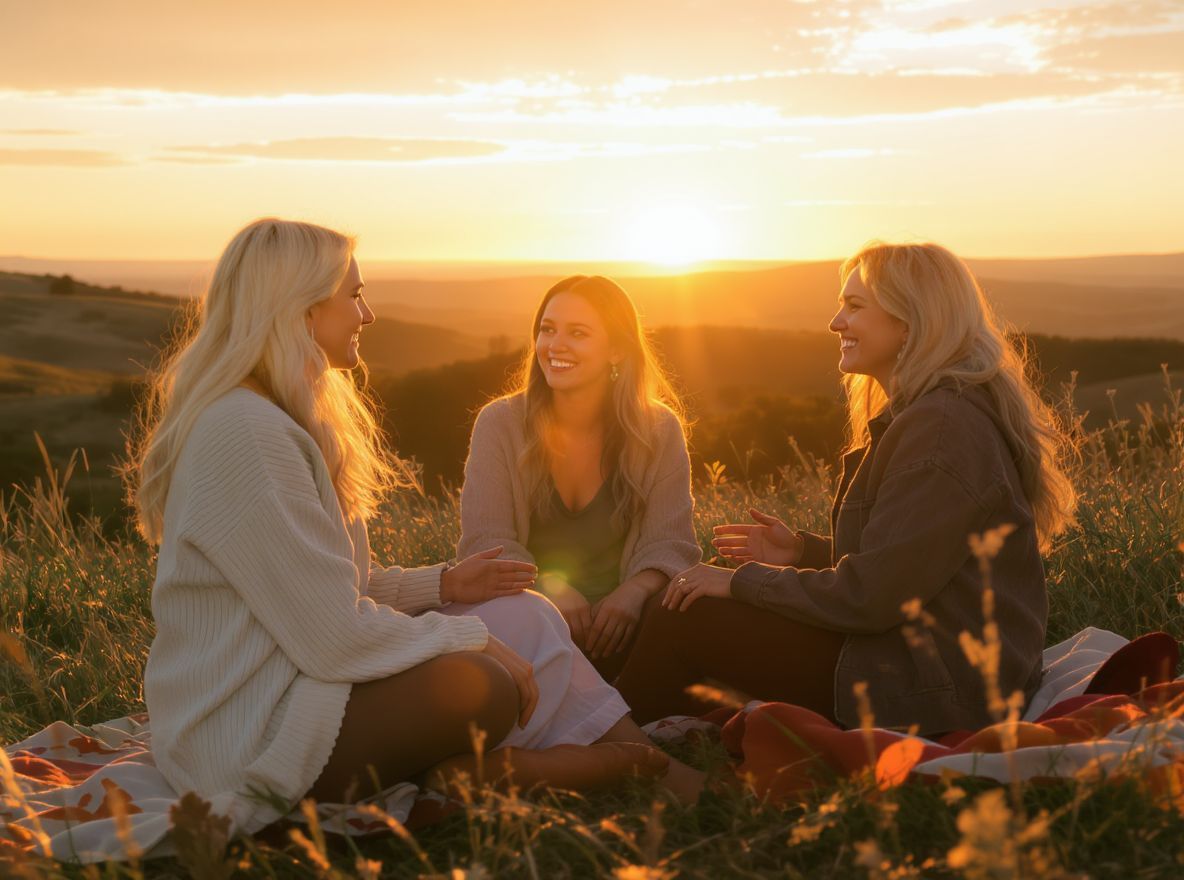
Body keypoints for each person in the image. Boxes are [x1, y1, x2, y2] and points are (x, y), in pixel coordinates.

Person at [127, 220, 699, 834]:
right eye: (354, 296)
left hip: (299, 684)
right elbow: (333, 636)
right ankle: (594, 767)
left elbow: (337, 589)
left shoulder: (277, 419)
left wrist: (447, 586)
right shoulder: (248, 433)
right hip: (253, 730)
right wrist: (467, 639)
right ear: (301, 308)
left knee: (524, 613)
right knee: (483, 683)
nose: (367, 313)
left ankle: (640, 758)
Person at [614, 242, 1077, 736]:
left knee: (689, 615)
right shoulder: (936, 413)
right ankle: (626, 720)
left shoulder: (940, 427)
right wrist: (802, 553)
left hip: (937, 689)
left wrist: (742, 582)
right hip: (937, 667)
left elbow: (872, 597)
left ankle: (607, 746)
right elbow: (913, 567)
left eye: (855, 306)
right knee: (682, 602)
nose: (836, 322)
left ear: (909, 321)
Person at [458, 275, 701, 680]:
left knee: (695, 609)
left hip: (627, 624)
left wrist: (635, 591)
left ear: (618, 350)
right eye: (547, 330)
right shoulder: (500, 423)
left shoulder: (658, 429)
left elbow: (672, 543)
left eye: (578, 333)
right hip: (525, 616)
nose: (555, 346)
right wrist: (547, 588)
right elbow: (486, 541)